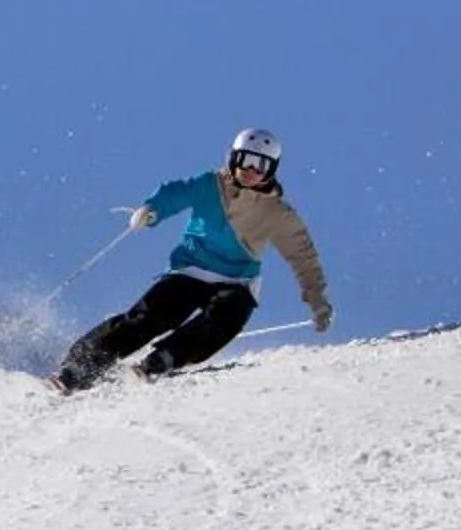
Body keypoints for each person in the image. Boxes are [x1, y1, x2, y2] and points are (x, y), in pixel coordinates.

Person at [51, 128, 333, 391]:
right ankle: (77, 368)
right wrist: (152, 211)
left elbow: (303, 256)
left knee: (227, 315)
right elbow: (176, 192)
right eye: (245, 160)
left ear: (271, 171)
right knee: (149, 316)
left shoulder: (278, 213)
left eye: (261, 165)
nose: (250, 170)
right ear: (233, 158)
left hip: (237, 281)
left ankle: (164, 359)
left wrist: (317, 299)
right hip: (190, 272)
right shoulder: (209, 185)